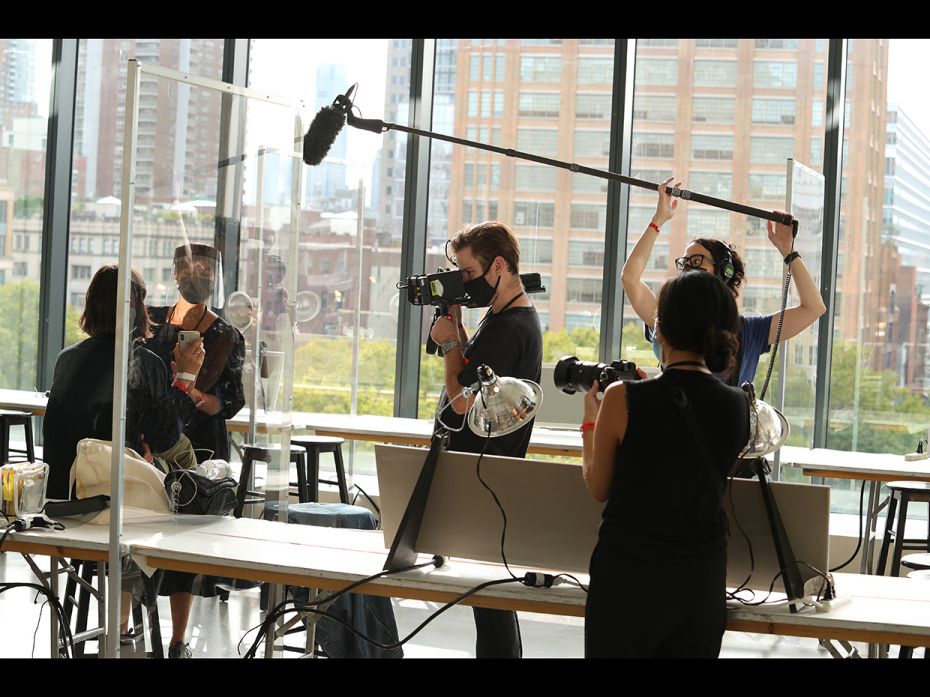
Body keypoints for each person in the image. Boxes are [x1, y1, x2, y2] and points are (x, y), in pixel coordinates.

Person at [581, 269, 751, 658]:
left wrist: (591, 423)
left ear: (660, 328)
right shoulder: (739, 405)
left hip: (628, 578)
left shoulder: (622, 397)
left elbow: (598, 487)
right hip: (701, 582)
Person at [43, 264, 204, 643]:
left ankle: (121, 624)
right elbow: (167, 437)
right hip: (109, 511)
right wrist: (186, 378)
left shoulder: (67, 357)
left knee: (138, 483)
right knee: (188, 506)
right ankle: (171, 640)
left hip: (65, 503)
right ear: (137, 308)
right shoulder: (142, 363)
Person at [429, 221, 543, 659]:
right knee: (488, 600)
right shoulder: (500, 318)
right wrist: (456, 329)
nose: (464, 284)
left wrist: (446, 345)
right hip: (480, 474)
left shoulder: (510, 328)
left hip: (484, 477)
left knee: (490, 600)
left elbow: (461, 401)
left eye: (470, 274)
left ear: (500, 266)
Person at [621, 176, 826, 386]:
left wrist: (788, 251)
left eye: (697, 261)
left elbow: (813, 308)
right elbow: (630, 279)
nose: (688, 267)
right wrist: (658, 220)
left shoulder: (750, 332)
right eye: (685, 262)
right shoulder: (669, 319)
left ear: (724, 273)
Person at [145, 242, 245, 659]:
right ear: (172, 273)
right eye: (186, 267)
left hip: (200, 445)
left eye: (204, 268)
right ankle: (130, 621)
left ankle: (177, 639)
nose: (195, 274)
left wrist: (193, 391)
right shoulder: (150, 321)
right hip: (149, 438)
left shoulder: (226, 335)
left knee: (184, 542)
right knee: (141, 524)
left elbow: (231, 400)